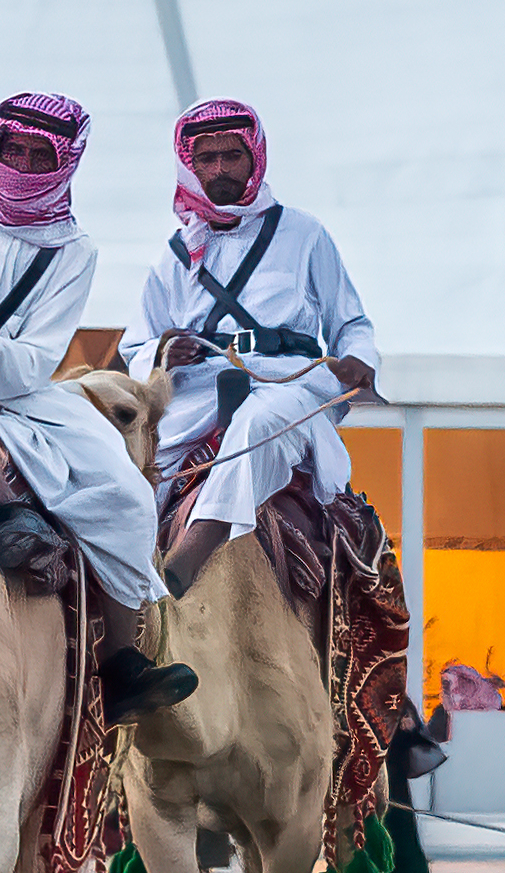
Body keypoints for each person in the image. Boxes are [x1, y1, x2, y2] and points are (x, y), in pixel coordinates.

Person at [0, 92, 191, 721]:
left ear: (67, 163)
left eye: (41, 156)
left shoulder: (75, 250)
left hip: (21, 394)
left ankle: (121, 661)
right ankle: (8, 512)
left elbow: (36, 359)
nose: (24, 166)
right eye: (14, 151)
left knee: (126, 493)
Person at [123, 98, 381, 596]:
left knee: (258, 425)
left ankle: (190, 555)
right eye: (207, 158)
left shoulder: (304, 233)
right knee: (134, 465)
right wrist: (161, 353)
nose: (220, 168)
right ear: (191, 165)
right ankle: (115, 585)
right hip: (196, 390)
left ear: (255, 158)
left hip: (287, 384)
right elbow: (136, 344)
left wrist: (357, 359)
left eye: (232, 156)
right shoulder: (175, 253)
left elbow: (351, 322)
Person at [385, 687, 443, 873]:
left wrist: (408, 725)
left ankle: (402, 867)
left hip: (394, 775)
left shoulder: (397, 698)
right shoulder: (383, 695)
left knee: (399, 820)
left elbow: (413, 731)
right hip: (379, 771)